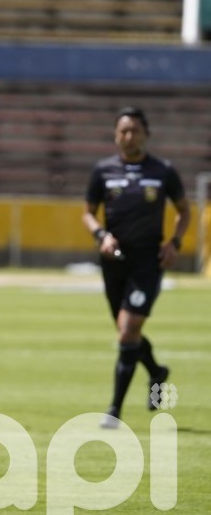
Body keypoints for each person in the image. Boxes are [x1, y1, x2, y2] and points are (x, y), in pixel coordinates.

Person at [82, 106, 190, 429]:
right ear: (116, 135)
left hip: (148, 262)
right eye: (124, 131)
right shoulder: (103, 171)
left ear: (146, 134)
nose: (130, 136)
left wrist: (174, 243)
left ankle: (114, 410)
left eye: (135, 131)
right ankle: (157, 372)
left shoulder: (163, 170)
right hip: (113, 262)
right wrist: (101, 235)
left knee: (128, 330)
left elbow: (184, 210)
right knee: (126, 331)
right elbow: (87, 212)